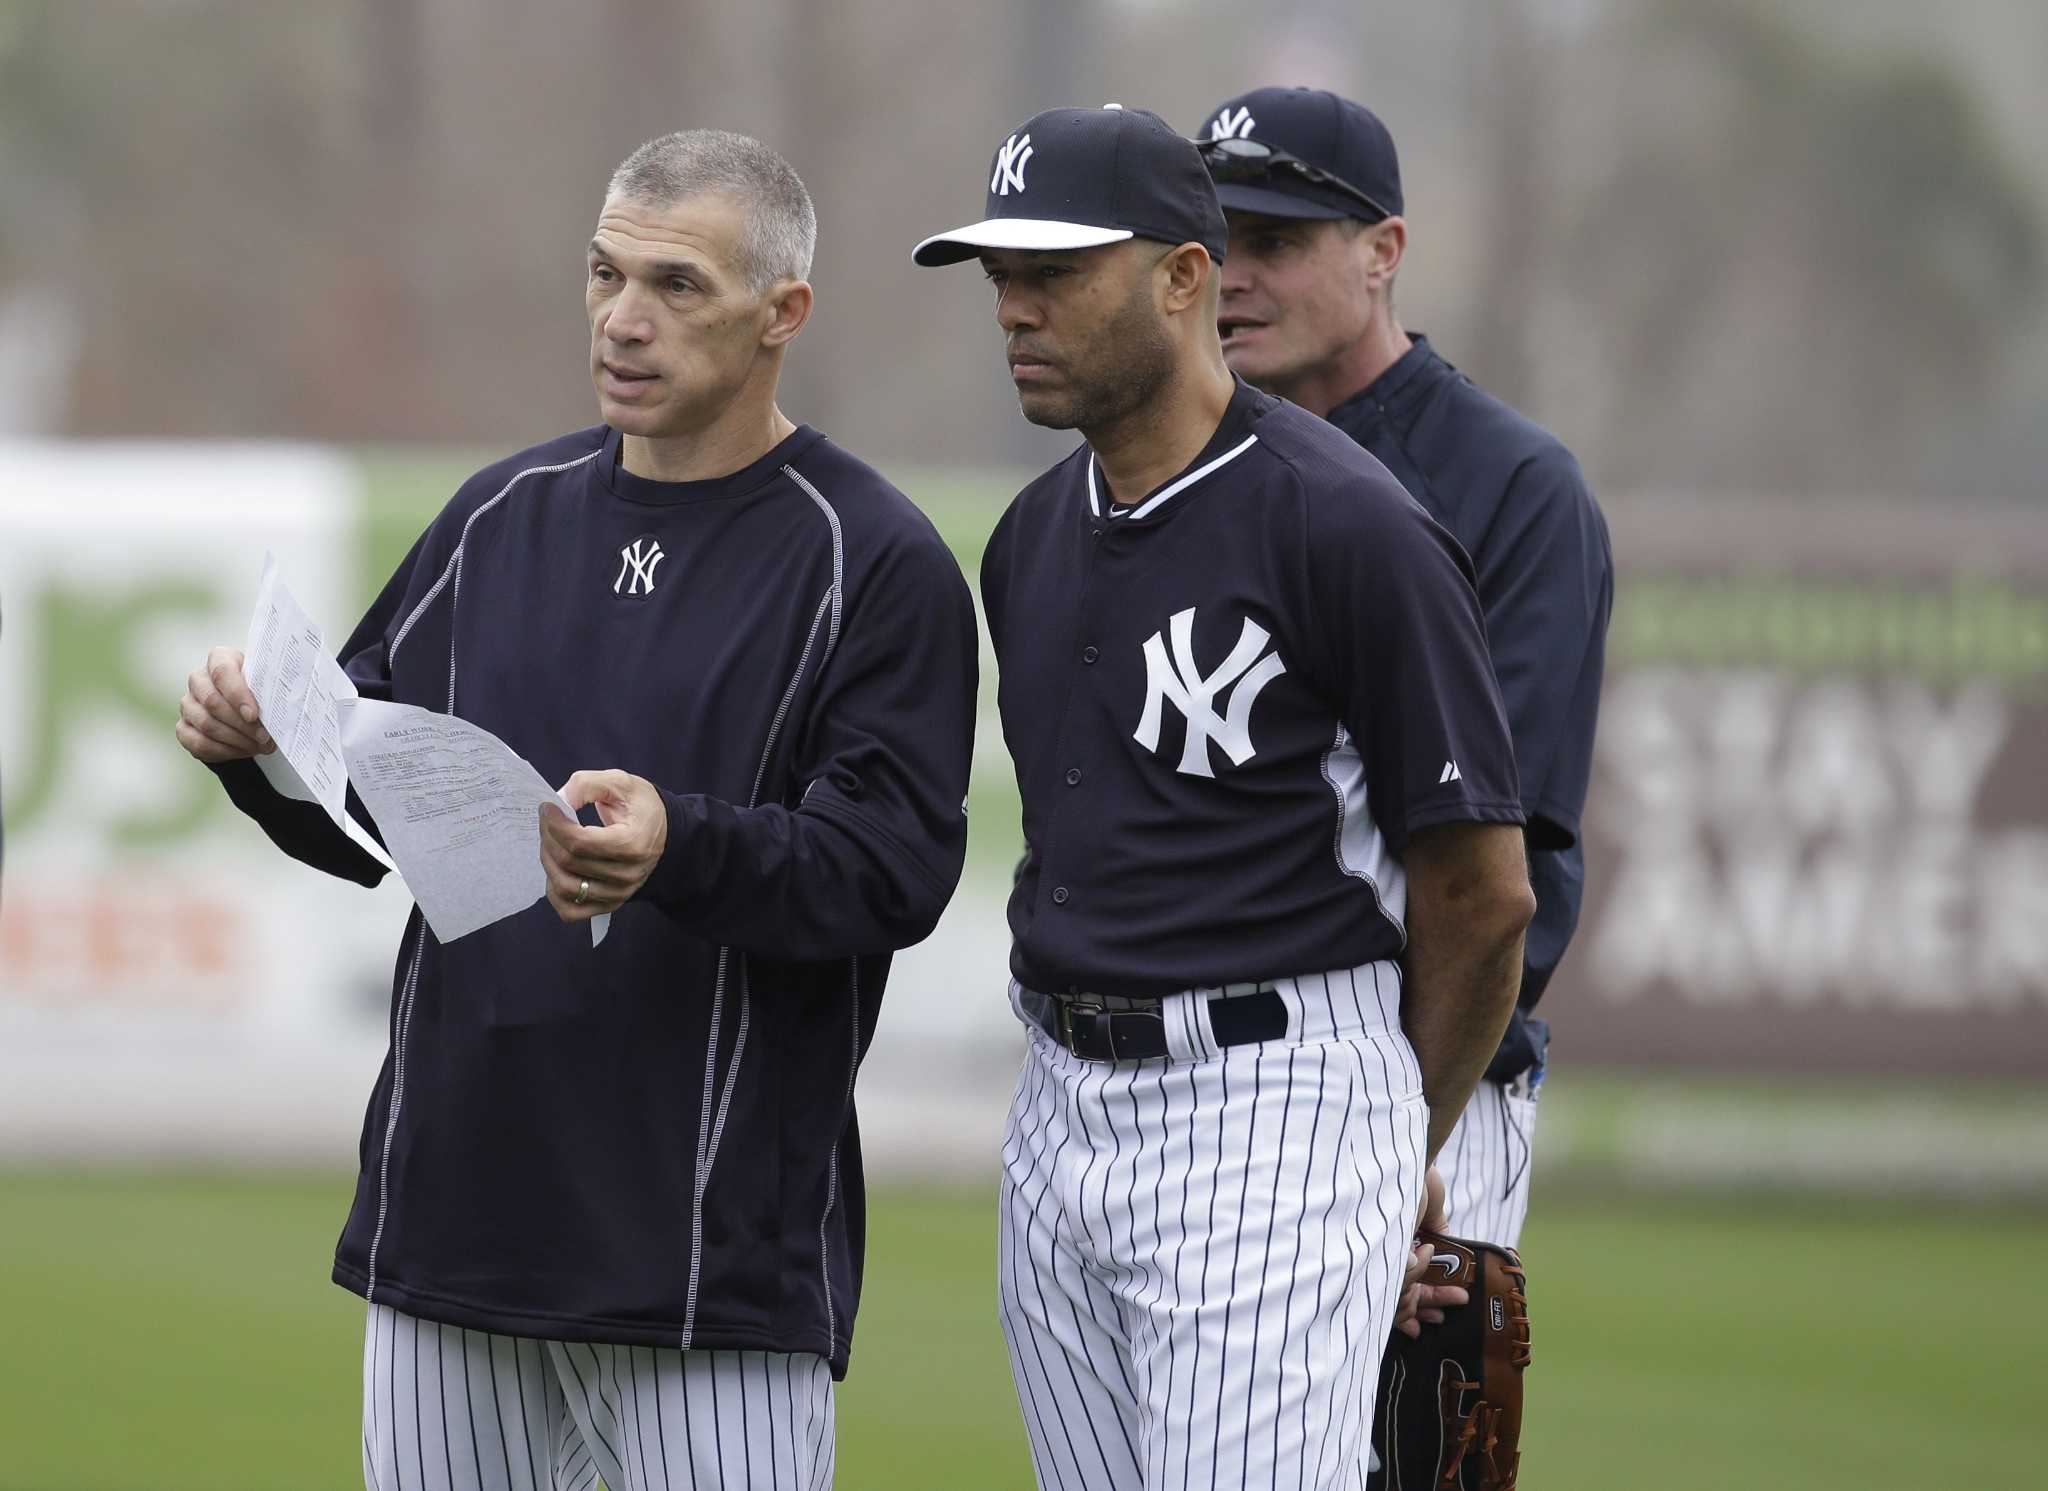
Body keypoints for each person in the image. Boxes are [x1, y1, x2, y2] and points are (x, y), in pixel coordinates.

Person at [176, 129, 977, 1491]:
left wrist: (683, 841)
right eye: (605, 274)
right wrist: (257, 750)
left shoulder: (875, 559)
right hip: (451, 1231)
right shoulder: (500, 515)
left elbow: (891, 870)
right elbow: (366, 808)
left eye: (676, 285)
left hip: (705, 1265)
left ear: (784, 313)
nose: (623, 318)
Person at [912, 105, 1534, 1489]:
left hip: (1273, 1096)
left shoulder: (1347, 521)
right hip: (1062, 1104)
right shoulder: (1029, 541)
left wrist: (1392, 1142)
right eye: (998, 272)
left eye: (1057, 269)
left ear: (1183, 278)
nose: (1014, 305)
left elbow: (1484, 895)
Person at [1196, 85, 1614, 1251]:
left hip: (1426, 1078)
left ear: (1383, 251)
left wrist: (1401, 1125)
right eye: (1213, 240)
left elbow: (1512, 861)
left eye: (1273, 242)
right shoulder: (1187, 467)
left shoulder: (1510, 485)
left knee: (1399, 1439)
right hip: (1204, 1092)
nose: (1232, 275)